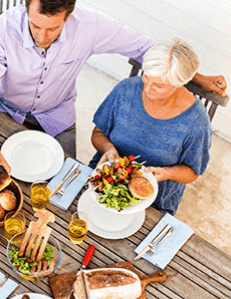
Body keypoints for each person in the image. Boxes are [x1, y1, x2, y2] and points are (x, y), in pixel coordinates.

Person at [0, 0, 227, 191]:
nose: (42, 36)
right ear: (26, 8)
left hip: (56, 116)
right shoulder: (2, 30)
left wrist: (197, 77)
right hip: (3, 111)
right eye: (35, 26)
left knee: (62, 189)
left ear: (69, 16)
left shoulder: (89, 25)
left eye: (53, 29)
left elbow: (147, 49)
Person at [89, 37, 211, 215]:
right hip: (106, 180)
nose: (147, 89)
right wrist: (108, 148)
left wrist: (167, 173)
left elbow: (193, 172)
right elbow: (98, 133)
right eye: (146, 77)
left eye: (159, 86)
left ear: (180, 84)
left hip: (156, 199)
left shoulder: (196, 123)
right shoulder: (125, 89)